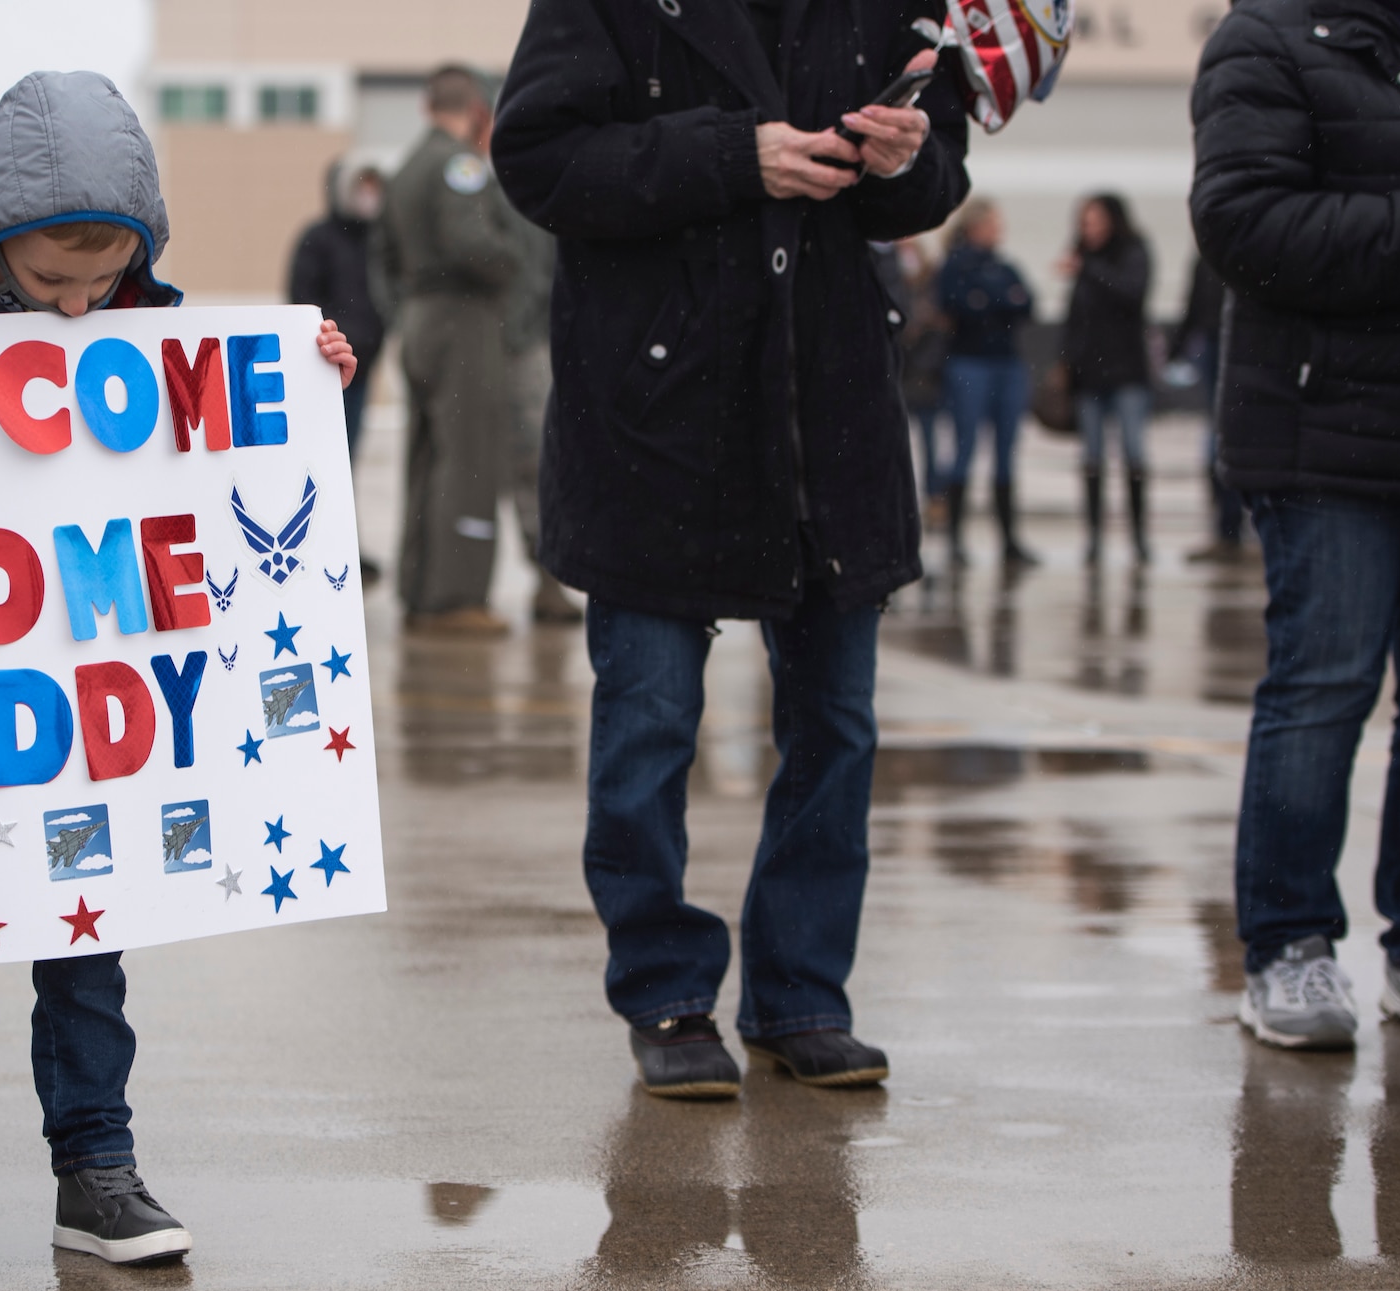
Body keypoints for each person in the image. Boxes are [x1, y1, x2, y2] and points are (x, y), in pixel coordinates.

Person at [0, 70, 357, 1277]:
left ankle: (97, 1171)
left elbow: (232, 469)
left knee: (87, 961)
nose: (77, 310)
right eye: (49, 284)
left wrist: (306, 374)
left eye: (99, 284)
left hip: (90, 721)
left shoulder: (146, 331)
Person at [494, 2, 967, 1094]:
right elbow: (538, 158)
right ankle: (664, 996)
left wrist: (905, 159)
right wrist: (729, 155)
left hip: (829, 414)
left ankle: (802, 993)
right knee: (649, 727)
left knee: (835, 728)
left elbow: (935, 179)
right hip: (657, 415)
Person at [1191, 0, 1400, 1049]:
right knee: (1321, 688)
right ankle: (1285, 946)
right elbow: (1243, 224)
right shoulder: (1265, 39)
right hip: (1322, 433)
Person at [378, 65, 524, 637]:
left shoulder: (406, 169)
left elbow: (385, 255)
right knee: (469, 458)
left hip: (418, 317)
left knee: (426, 455)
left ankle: (418, 588)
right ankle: (458, 597)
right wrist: (512, 257)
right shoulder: (459, 164)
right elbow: (472, 243)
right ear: (477, 113)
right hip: (462, 320)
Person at [288, 161, 389, 583]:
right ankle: (325, 544)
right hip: (326, 370)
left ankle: (346, 542)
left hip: (362, 368)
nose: (367, 195)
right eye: (359, 186)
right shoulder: (318, 240)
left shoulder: (377, 241)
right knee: (328, 461)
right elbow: (301, 301)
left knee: (348, 461)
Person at [937, 199, 1037, 568]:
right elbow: (957, 303)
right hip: (969, 364)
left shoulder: (1004, 265)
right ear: (976, 227)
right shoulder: (957, 265)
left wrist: (988, 301)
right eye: (993, 224)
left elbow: (1027, 303)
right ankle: (955, 539)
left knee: (1006, 452)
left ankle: (1009, 540)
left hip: (1007, 363)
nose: (998, 231)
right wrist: (996, 302)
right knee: (964, 449)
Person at [1060, 193, 1153, 566]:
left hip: (1127, 371)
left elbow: (1132, 294)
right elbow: (1075, 316)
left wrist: (1088, 268)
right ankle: (1094, 539)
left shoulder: (1133, 251)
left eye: (1095, 221)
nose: (1089, 229)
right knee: (1092, 458)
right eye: (1084, 222)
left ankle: (1139, 538)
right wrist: (1065, 361)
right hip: (1089, 374)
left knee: (1134, 454)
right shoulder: (1083, 257)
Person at [505, 210, 584, 624]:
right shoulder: (501, 188)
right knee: (530, 461)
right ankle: (546, 581)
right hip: (518, 344)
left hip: (532, 338)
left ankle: (547, 580)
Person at [1171, 253, 1244, 563]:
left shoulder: (1235, 248)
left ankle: (1236, 530)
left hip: (1243, 342)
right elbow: (1193, 303)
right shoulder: (1207, 256)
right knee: (1219, 437)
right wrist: (1178, 348)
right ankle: (1227, 530)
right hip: (1215, 342)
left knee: (1231, 437)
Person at [880, 236, 950, 524]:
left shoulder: (929, 274)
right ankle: (899, 498)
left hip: (923, 370)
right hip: (900, 366)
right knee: (896, 438)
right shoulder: (886, 265)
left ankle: (932, 497)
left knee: (930, 438)